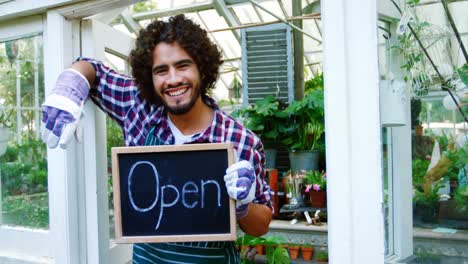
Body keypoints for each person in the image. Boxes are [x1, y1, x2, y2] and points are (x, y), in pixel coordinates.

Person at [41, 15, 272, 263]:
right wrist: (70, 87)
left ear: (202, 69)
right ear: (149, 77)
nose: (172, 80)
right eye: (161, 70)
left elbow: (261, 225)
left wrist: (243, 205)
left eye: (183, 66)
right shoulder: (138, 108)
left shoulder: (240, 140)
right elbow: (90, 68)